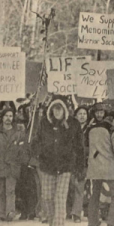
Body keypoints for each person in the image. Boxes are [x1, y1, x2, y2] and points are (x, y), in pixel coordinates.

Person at [31, 96, 85, 226]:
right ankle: (52, 222)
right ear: (51, 109)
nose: (57, 111)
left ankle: (58, 223)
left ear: (64, 109)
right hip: (47, 167)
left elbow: (79, 147)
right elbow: (36, 141)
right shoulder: (44, 123)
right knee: (47, 198)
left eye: (60, 108)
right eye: (55, 108)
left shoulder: (73, 124)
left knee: (60, 198)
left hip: (65, 167)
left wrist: (79, 166)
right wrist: (38, 153)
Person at [87, 112, 114, 226]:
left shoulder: (92, 129)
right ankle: (111, 221)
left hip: (95, 167)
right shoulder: (113, 130)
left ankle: (93, 221)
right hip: (110, 167)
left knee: (95, 195)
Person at [0, 108, 28, 221]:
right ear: (2, 117)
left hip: (12, 167)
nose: (8, 118)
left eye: (10, 116)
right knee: (1, 191)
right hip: (1, 165)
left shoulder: (18, 133)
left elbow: (23, 151)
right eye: (6, 116)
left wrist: (21, 161)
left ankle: (10, 213)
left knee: (10, 191)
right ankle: (2, 213)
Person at [68, 106, 90, 223]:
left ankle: (76, 213)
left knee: (79, 187)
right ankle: (68, 210)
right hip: (70, 162)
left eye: (84, 114)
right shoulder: (69, 128)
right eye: (80, 113)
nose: (82, 116)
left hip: (83, 162)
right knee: (69, 187)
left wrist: (82, 149)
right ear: (75, 115)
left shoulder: (90, 129)